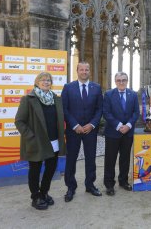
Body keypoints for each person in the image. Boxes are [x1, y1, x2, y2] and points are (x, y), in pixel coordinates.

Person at [15, 72, 66, 210]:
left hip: (54, 141)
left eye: (49, 80)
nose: (46, 82)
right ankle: (36, 197)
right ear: (37, 82)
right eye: (43, 80)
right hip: (36, 142)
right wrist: (31, 136)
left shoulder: (55, 98)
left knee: (50, 169)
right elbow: (19, 121)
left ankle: (44, 193)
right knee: (35, 171)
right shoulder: (29, 99)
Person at [61, 62, 103, 202]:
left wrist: (91, 124)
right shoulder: (68, 87)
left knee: (91, 159)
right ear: (77, 71)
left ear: (89, 71)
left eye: (87, 69)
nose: (84, 71)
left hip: (90, 130)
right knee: (71, 160)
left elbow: (99, 109)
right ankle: (71, 188)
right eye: (81, 69)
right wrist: (75, 125)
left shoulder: (96, 88)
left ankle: (90, 185)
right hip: (74, 131)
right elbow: (64, 109)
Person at [102, 72, 140, 196]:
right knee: (110, 159)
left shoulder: (133, 95)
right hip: (113, 132)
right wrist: (119, 126)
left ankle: (123, 181)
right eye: (119, 80)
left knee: (125, 158)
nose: (121, 82)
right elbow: (106, 113)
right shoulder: (108, 94)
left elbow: (136, 112)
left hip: (127, 133)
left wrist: (128, 125)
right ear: (115, 81)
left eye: (124, 80)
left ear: (127, 81)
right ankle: (109, 184)